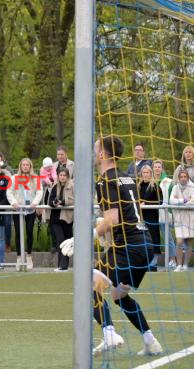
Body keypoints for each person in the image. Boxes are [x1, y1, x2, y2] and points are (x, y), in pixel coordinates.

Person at [61, 135, 162, 356]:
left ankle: (109, 334)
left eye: (95, 147)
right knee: (119, 296)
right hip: (144, 244)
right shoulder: (127, 178)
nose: (93, 152)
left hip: (129, 246)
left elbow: (113, 220)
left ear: (102, 154)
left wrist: (84, 237)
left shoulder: (104, 180)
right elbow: (120, 218)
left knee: (87, 285)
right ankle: (150, 341)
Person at [7, 158, 43, 271]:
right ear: (20, 166)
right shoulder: (14, 178)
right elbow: (9, 191)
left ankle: (29, 256)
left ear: (30, 166)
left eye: (27, 165)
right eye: (23, 165)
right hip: (18, 209)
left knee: (29, 232)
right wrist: (14, 202)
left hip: (30, 210)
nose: (25, 166)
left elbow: (39, 191)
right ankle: (19, 258)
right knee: (18, 233)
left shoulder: (35, 178)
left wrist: (35, 203)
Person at [47, 167, 74, 271]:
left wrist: (63, 202)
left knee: (67, 242)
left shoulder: (72, 186)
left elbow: (74, 200)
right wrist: (54, 203)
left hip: (67, 218)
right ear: (58, 176)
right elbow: (50, 200)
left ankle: (64, 266)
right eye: (60, 175)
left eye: (64, 175)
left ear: (67, 177)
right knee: (60, 240)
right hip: (55, 219)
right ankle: (61, 266)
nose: (62, 177)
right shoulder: (55, 185)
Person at [138, 165, 162, 270]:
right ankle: (142, 264)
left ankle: (153, 265)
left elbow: (160, 201)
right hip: (140, 218)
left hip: (151, 217)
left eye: (147, 172)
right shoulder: (138, 186)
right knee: (141, 240)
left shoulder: (155, 186)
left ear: (151, 174)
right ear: (141, 174)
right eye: (144, 172)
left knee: (153, 239)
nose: (145, 174)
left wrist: (146, 203)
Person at [153, 160, 176, 268]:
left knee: (168, 237)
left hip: (164, 214)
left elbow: (172, 197)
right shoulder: (150, 181)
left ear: (162, 169)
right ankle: (153, 260)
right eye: (155, 167)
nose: (157, 169)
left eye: (159, 167)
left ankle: (173, 259)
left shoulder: (168, 181)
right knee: (153, 238)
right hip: (152, 214)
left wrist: (171, 212)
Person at [169, 169, 194, 272]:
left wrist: (179, 202)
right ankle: (179, 265)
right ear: (178, 178)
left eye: (185, 177)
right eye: (181, 177)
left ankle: (185, 265)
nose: (183, 178)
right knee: (179, 242)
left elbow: (193, 202)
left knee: (189, 242)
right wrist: (184, 200)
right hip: (179, 219)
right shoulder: (175, 187)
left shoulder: (192, 187)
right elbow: (171, 201)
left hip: (191, 218)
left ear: (187, 178)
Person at [40, 156, 58, 254]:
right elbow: (44, 178)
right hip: (47, 193)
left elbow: (55, 175)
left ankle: (57, 244)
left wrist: (54, 182)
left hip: (54, 191)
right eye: (47, 167)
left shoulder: (53, 169)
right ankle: (53, 244)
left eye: (50, 167)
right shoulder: (42, 170)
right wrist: (49, 183)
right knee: (50, 223)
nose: (49, 169)